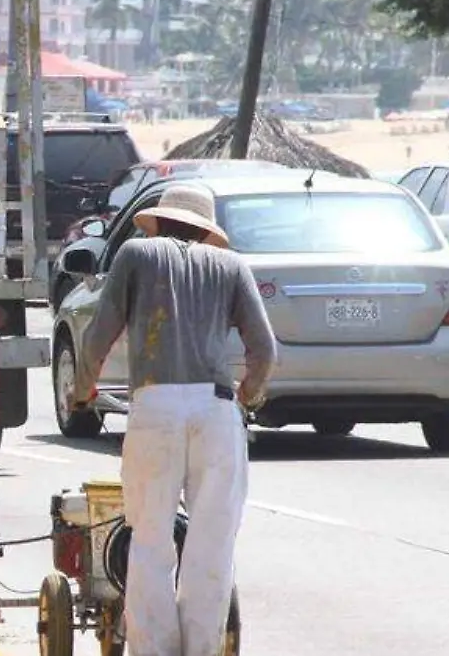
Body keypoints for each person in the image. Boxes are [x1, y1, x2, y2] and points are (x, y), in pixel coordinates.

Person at [72, 184, 276, 656]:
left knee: (150, 539)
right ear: (205, 232)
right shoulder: (230, 265)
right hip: (218, 410)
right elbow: (264, 350)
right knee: (212, 543)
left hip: (155, 408)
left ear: (160, 222)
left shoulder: (136, 254)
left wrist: (83, 391)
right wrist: (249, 396)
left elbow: (99, 335)